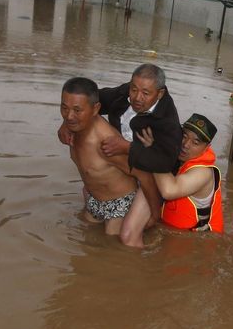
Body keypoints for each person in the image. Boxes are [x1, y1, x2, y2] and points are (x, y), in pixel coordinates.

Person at [59, 63, 182, 231]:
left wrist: (128, 147)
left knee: (127, 238)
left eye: (146, 93)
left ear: (159, 93)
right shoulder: (125, 92)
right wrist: (66, 123)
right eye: (134, 90)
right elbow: (88, 100)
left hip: (151, 169)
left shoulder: (168, 123)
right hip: (110, 180)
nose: (137, 97)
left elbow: (164, 163)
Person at [60, 77, 150, 247]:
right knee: (85, 240)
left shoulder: (106, 143)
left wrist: (151, 215)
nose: (69, 116)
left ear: (96, 109)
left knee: (113, 250)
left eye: (77, 110)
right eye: (64, 108)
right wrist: (64, 124)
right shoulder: (73, 128)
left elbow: (143, 175)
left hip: (120, 205)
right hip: (95, 200)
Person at [136, 113, 223, 233]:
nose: (186, 145)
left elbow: (169, 190)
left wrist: (154, 151)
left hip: (194, 241)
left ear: (207, 147)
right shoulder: (177, 157)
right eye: (184, 136)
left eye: (195, 143)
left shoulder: (203, 173)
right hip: (171, 228)